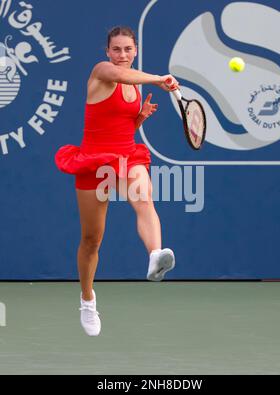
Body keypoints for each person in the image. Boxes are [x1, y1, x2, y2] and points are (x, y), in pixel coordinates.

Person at [55, 26, 179, 336]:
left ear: (135, 50)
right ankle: (87, 299)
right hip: (94, 163)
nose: (122, 54)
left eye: (127, 49)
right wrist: (160, 79)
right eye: (117, 49)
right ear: (108, 52)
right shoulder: (102, 71)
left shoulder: (135, 85)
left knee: (144, 199)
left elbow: (118, 125)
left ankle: (154, 256)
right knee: (91, 240)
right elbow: (123, 77)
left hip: (127, 158)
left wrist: (138, 119)